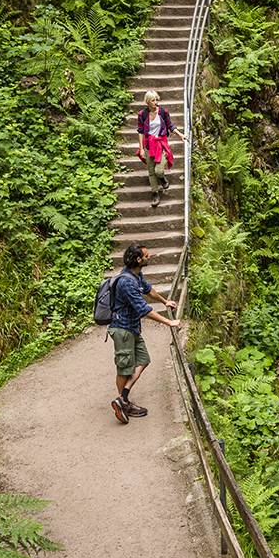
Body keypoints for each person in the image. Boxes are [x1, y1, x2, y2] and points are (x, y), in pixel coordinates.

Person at [108, 243, 182, 424]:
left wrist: (165, 301)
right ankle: (122, 401)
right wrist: (168, 322)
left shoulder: (136, 274)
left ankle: (122, 399)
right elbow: (144, 309)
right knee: (124, 368)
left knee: (143, 360)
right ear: (138, 259)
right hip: (122, 330)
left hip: (132, 328)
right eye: (147, 255)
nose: (150, 257)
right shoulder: (126, 282)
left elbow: (148, 289)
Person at [137, 90, 190, 209]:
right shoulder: (142, 114)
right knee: (151, 171)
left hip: (161, 144)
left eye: (157, 99)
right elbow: (140, 132)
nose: (156, 102)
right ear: (147, 102)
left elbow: (170, 125)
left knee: (158, 171)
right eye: (153, 100)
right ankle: (155, 194)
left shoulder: (163, 112)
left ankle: (162, 178)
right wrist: (141, 149)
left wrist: (181, 135)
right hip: (148, 145)